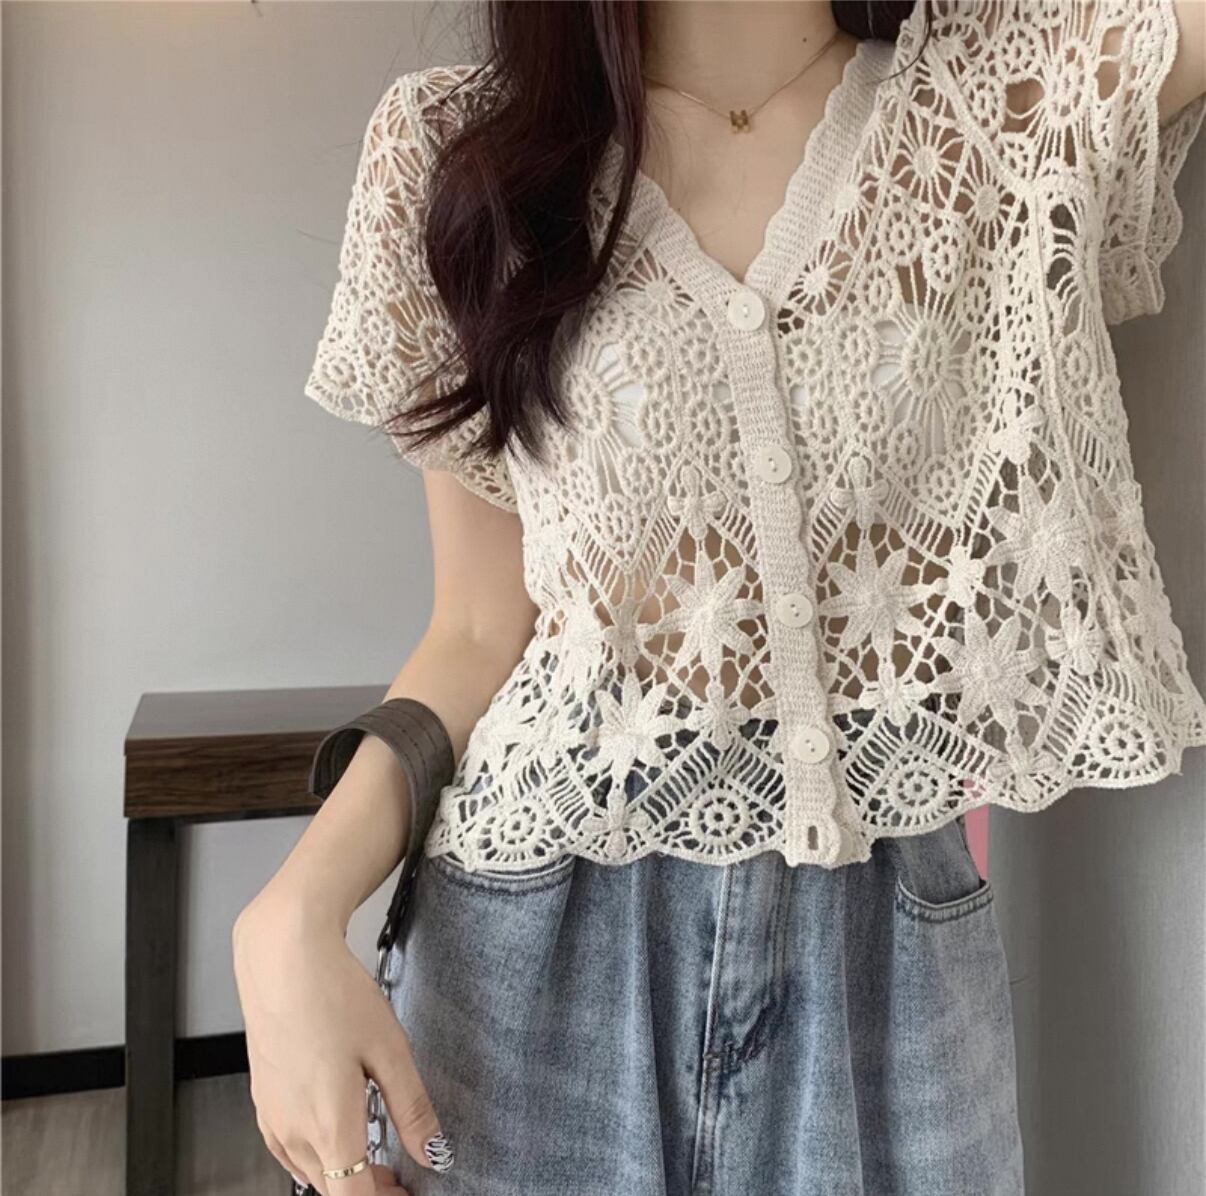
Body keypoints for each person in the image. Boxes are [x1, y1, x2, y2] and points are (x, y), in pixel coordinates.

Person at [233, 2, 1206, 1194]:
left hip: (887, 960)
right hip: (531, 967)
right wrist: (292, 909)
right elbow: (479, 630)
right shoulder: (461, 153)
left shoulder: (993, 104)